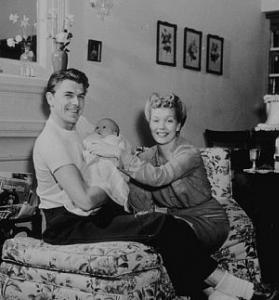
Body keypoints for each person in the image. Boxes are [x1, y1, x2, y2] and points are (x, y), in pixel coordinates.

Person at [33, 68, 264, 300]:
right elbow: (84, 200)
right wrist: (112, 183)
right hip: (68, 224)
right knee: (161, 225)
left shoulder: (80, 125)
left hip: (96, 213)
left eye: (81, 96)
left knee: (169, 228)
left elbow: (111, 150)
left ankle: (212, 293)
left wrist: (116, 165)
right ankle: (242, 291)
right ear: (50, 98)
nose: (76, 102)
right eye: (68, 95)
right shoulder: (51, 141)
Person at [63, 117, 133, 216]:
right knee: (89, 178)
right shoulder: (92, 139)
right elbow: (85, 149)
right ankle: (88, 202)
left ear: (114, 132)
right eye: (97, 127)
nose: (99, 129)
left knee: (110, 179)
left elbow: (122, 152)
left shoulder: (116, 139)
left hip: (109, 164)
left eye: (104, 127)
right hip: (94, 164)